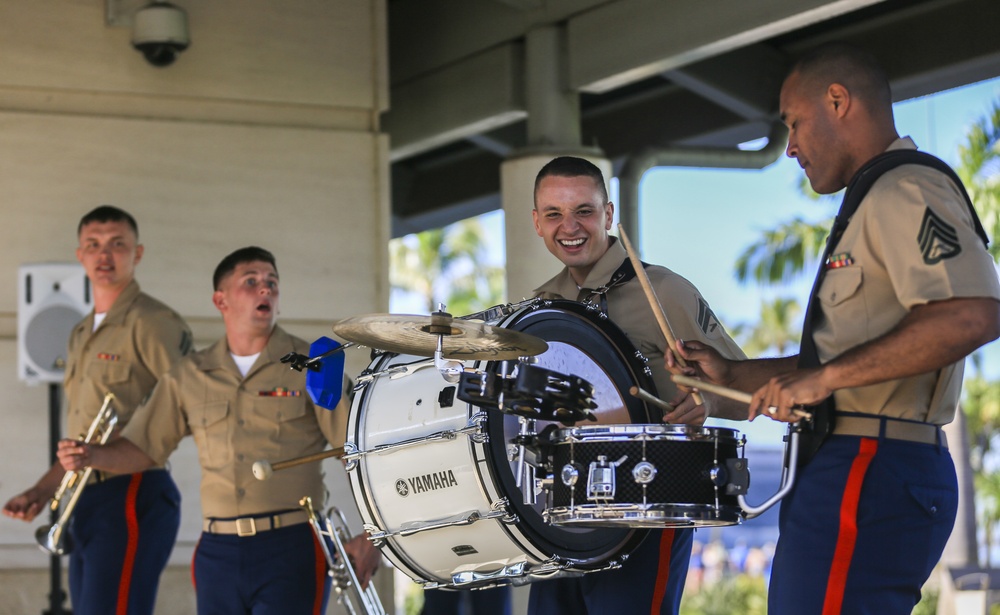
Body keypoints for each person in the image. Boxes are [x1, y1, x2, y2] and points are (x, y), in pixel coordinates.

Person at [671, 42, 1000, 614]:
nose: (790, 145)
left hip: (871, 464)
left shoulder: (906, 188)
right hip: (852, 462)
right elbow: (841, 363)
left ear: (839, 100)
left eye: (794, 123)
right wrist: (728, 374)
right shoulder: (872, 200)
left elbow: (974, 312)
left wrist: (821, 383)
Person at [56, 246, 382, 615]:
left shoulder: (315, 364)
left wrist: (375, 535)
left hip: (292, 546)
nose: (266, 290)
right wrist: (91, 456)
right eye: (251, 282)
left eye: (272, 283)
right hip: (216, 552)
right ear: (220, 299)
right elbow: (145, 449)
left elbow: (360, 453)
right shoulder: (188, 375)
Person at [527, 156, 746, 614]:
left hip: (650, 501)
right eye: (554, 214)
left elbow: (745, 394)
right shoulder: (542, 307)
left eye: (584, 211)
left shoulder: (663, 291)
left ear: (608, 215)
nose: (570, 226)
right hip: (564, 511)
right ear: (537, 223)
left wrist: (702, 401)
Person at [3, 205, 192, 615]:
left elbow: (188, 408)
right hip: (86, 497)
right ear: (80, 256)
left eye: (117, 244)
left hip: (133, 491)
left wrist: (110, 454)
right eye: (93, 245)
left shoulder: (153, 322)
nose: (104, 255)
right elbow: (84, 439)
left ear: (137, 254)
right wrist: (41, 490)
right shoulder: (79, 332)